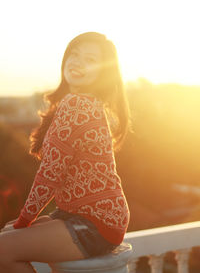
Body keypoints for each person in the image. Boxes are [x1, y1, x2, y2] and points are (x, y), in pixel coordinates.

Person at [0, 31, 131, 273]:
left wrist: (24, 220)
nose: (78, 62)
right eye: (75, 54)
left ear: (103, 71)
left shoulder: (78, 105)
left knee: (2, 250)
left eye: (90, 60)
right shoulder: (81, 102)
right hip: (82, 214)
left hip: (95, 222)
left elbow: (50, 174)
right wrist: (22, 224)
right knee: (7, 233)